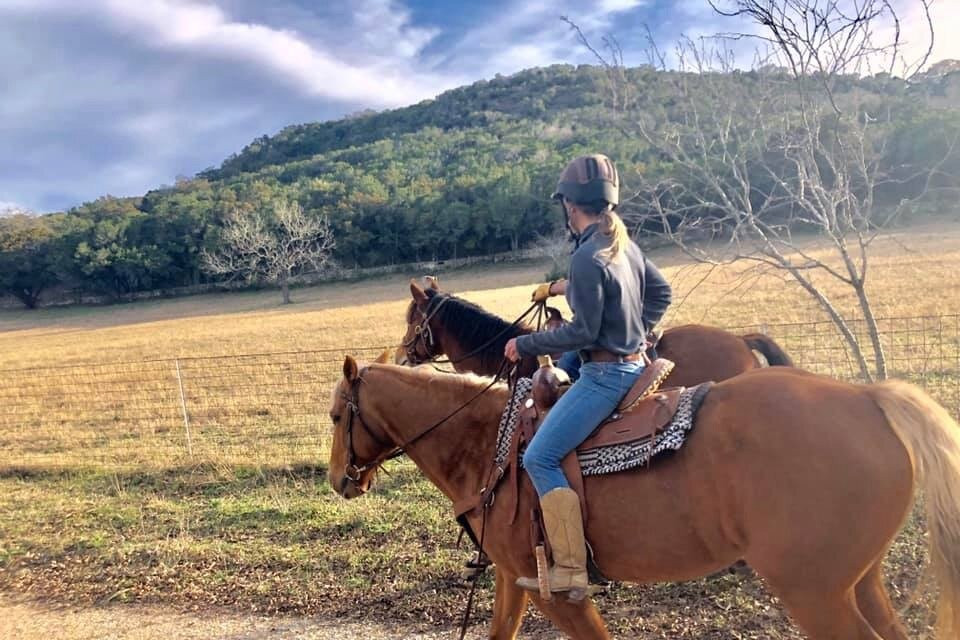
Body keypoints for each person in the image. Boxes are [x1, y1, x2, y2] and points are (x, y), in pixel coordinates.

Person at [504, 153, 672, 599]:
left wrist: (525, 344)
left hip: (606, 377)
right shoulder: (622, 245)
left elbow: (583, 331)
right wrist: (636, 331)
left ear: (570, 206)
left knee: (538, 457)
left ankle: (572, 570)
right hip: (635, 364)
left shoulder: (586, 256)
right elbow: (661, 292)